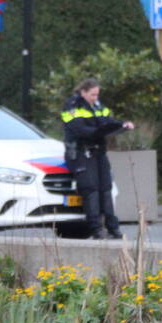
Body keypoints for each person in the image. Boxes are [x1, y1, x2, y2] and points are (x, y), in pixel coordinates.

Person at [60, 78, 135, 240]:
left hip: (98, 151)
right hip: (81, 152)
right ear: (83, 92)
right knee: (91, 190)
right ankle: (96, 229)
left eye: (97, 94)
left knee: (106, 189)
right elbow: (78, 128)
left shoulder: (98, 105)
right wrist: (98, 132)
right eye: (92, 94)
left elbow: (108, 121)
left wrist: (122, 125)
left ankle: (113, 228)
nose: (95, 98)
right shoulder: (72, 106)